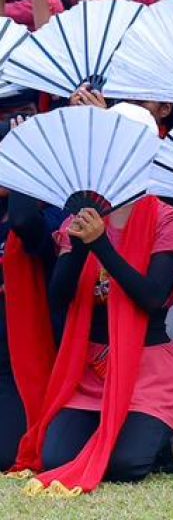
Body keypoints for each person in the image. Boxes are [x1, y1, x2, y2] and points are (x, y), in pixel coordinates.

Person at [18, 194, 173, 491]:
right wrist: (78, 243)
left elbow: (152, 298)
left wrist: (100, 245)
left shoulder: (168, 219)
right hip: (91, 373)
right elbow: (58, 299)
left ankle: (155, 443)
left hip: (146, 371)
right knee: (56, 458)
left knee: (125, 466)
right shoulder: (81, 217)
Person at [0, 185, 63, 470]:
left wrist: (20, 175)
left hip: (16, 369)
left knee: (5, 454)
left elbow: (23, 219)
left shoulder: (53, 215)